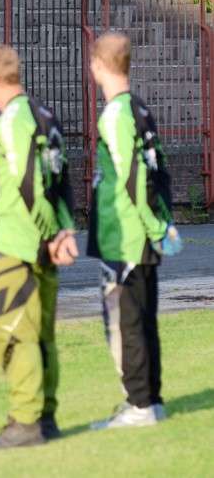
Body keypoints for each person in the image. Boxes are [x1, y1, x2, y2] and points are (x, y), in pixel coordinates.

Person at [0, 42, 78, 450]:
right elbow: (64, 180)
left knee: (16, 332)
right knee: (43, 332)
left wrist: (50, 236)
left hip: (19, 242)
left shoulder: (12, 120)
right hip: (43, 240)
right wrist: (65, 230)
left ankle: (25, 422)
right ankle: (46, 417)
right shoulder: (45, 116)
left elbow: (29, 182)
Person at [86, 31, 182, 430]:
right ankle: (151, 401)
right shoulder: (140, 109)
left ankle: (139, 405)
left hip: (124, 234)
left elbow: (132, 178)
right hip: (138, 233)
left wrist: (155, 225)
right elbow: (160, 171)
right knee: (144, 318)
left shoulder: (115, 114)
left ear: (99, 66)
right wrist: (164, 222)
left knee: (127, 322)